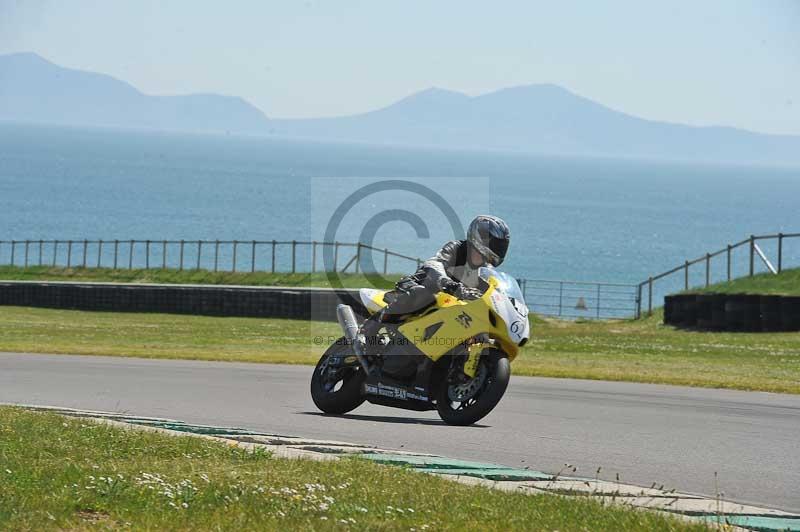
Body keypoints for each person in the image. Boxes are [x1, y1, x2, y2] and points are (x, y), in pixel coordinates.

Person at [359, 215, 511, 348]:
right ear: (479, 238)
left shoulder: (483, 271)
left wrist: (504, 301)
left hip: (447, 305)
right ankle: (370, 327)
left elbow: (491, 291)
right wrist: (445, 282)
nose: (497, 248)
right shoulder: (456, 248)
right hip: (419, 286)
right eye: (495, 243)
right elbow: (435, 264)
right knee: (423, 294)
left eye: (500, 245)